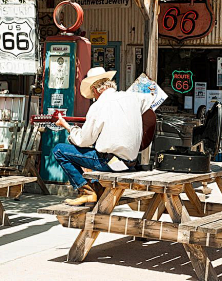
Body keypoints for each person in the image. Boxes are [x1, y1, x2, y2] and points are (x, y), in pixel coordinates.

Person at [53, 67, 154, 206]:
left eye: (93, 93)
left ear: (96, 89)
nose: (94, 97)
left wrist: (68, 127)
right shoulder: (133, 98)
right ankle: (97, 188)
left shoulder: (99, 106)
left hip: (110, 163)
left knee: (59, 150)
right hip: (130, 163)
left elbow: (83, 140)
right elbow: (150, 98)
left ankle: (87, 192)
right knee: (97, 148)